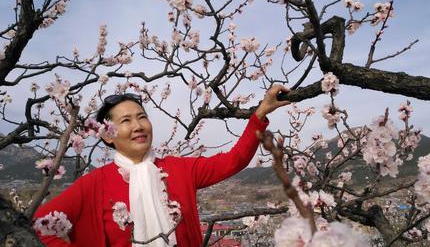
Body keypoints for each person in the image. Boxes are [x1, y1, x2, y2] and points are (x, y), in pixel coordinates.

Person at [33, 85, 290, 246]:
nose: (138, 126)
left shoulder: (179, 169)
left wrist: (259, 114)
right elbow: (40, 223)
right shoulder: (93, 184)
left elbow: (234, 160)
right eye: (126, 120)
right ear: (108, 135)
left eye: (142, 117)